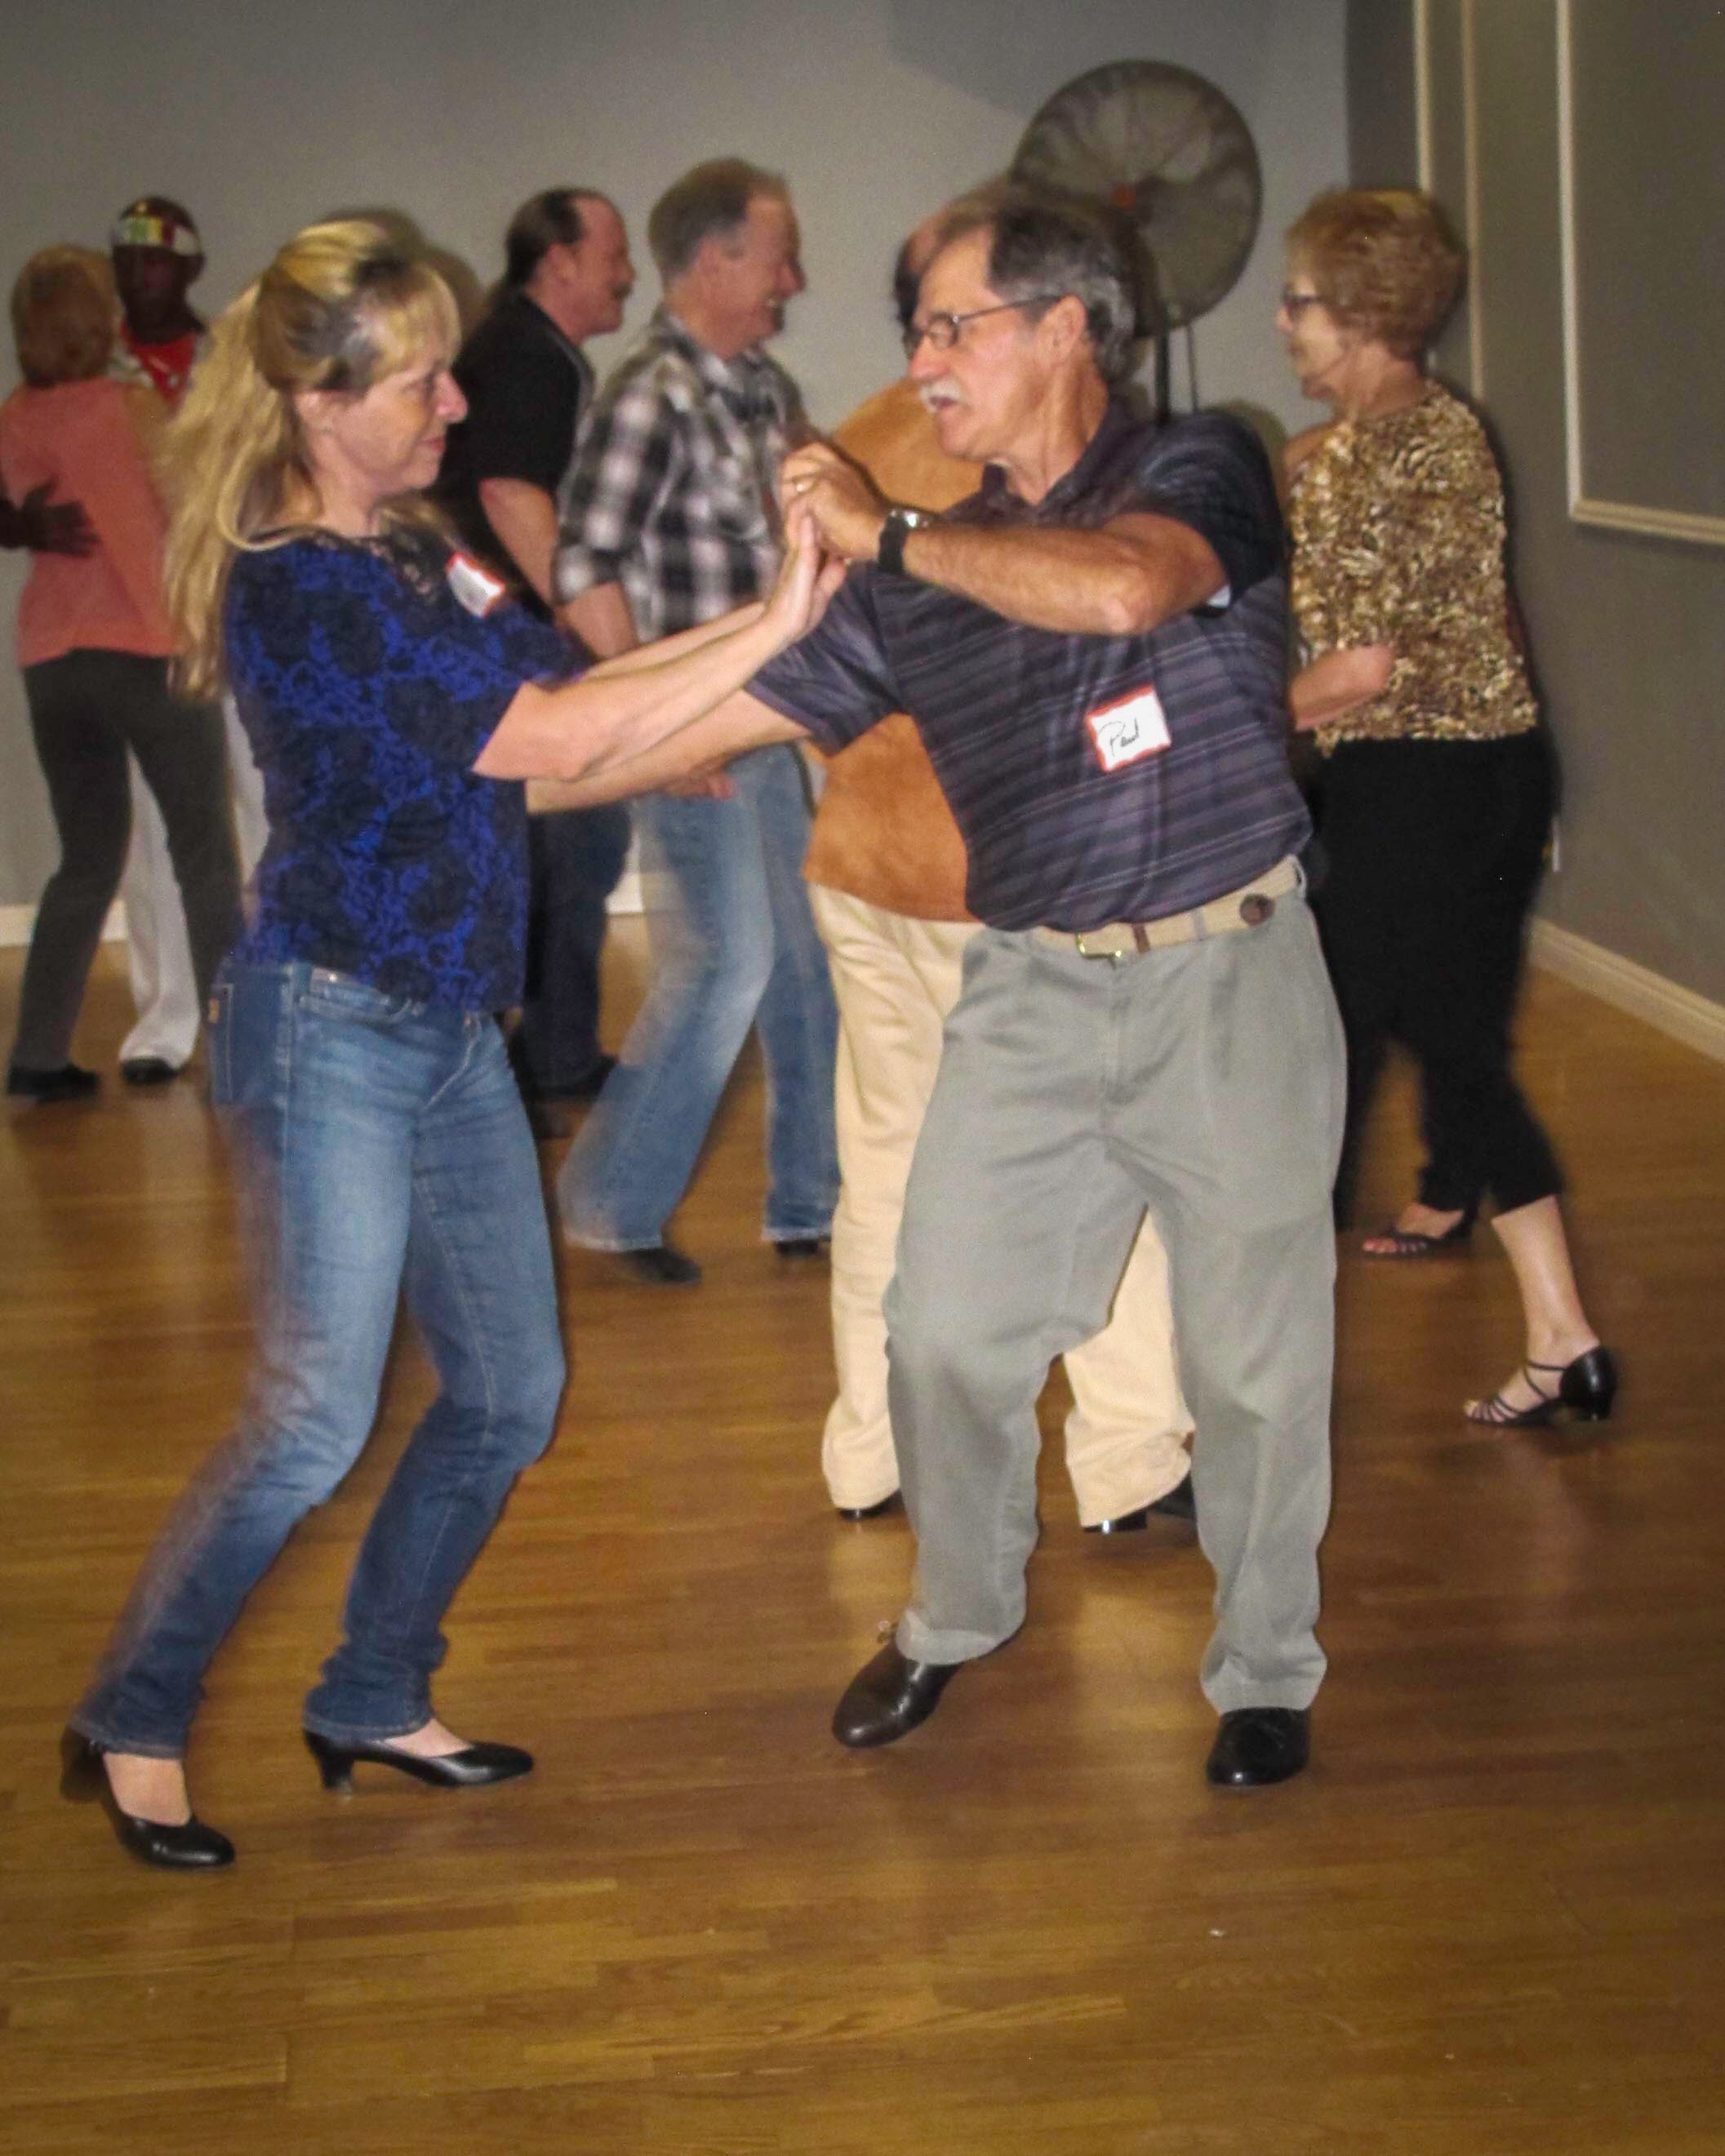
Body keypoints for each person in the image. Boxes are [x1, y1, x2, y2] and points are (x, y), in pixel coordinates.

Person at [534, 188, 1344, 1788]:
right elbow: (703, 713)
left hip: (1229, 974)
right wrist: (499, 753)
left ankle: (1264, 1667)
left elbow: (1123, 590)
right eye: (915, 334)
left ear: (1065, 328)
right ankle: (957, 1614)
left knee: (1253, 1370)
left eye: (951, 328)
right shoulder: (915, 583)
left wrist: (888, 535)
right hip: (1030, 993)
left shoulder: (1198, 466)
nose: (921, 363)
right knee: (943, 1337)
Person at [60, 217, 837, 1870]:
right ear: (316, 400)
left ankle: (370, 1690)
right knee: (311, 1417)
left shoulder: (425, 552)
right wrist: (783, 629)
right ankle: (130, 1715)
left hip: (452, 1034)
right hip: (328, 1028)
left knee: (508, 1392)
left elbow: (573, 711)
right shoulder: (297, 587)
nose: (453, 404)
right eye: (418, 382)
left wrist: (788, 657)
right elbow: (550, 735)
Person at [807, 211, 1194, 1531]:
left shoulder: (854, 440)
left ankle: (870, 1450)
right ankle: (1131, 1458)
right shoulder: (1051, 458)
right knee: (1100, 1159)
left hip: (861, 859)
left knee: (884, 1172)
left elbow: (800, 666)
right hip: (1002, 879)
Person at [1278, 188, 1616, 1429]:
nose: (1283, 324)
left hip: (1407, 785)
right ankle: (1565, 1341)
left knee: (1321, 1065)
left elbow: (1359, 668)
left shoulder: (1355, 461)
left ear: (1361, 312)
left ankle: (1272, 1385)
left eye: (1299, 302)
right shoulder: (1445, 429)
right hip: (1496, 773)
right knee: (1456, 1048)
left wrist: (1229, 728)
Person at [551, 158, 838, 1285]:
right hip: (690, 744)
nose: (792, 281)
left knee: (803, 965)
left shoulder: (760, 390)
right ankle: (611, 1203)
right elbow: (583, 566)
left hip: (761, 729)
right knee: (727, 966)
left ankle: (810, 1202)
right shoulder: (649, 396)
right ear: (714, 261)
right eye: (778, 259)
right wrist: (647, 735)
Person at [0, 244, 241, 1105]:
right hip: (144, 647)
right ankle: (239, 1048)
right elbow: (171, 519)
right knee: (204, 854)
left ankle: (36, 1053)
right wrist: (200, 627)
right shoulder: (128, 407)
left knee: (86, 860)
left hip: (52, 660)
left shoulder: (14, 416)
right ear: (101, 319)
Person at [438, 188, 636, 1122]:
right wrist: (590, 637)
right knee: (568, 850)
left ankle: (554, 1050)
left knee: (571, 852)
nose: (627, 275)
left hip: (498, 638)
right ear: (559, 260)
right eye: (614, 255)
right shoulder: (525, 356)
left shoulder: (530, 350)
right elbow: (512, 495)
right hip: (507, 644)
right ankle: (536, 1060)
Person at [103, 195, 260, 1090]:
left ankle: (267, 991)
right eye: (126, 260)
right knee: (159, 823)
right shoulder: (92, 370)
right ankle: (167, 1017)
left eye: (158, 259)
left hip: (239, 608)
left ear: (192, 267)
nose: (140, 275)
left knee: (267, 799)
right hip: (136, 623)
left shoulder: (232, 359)